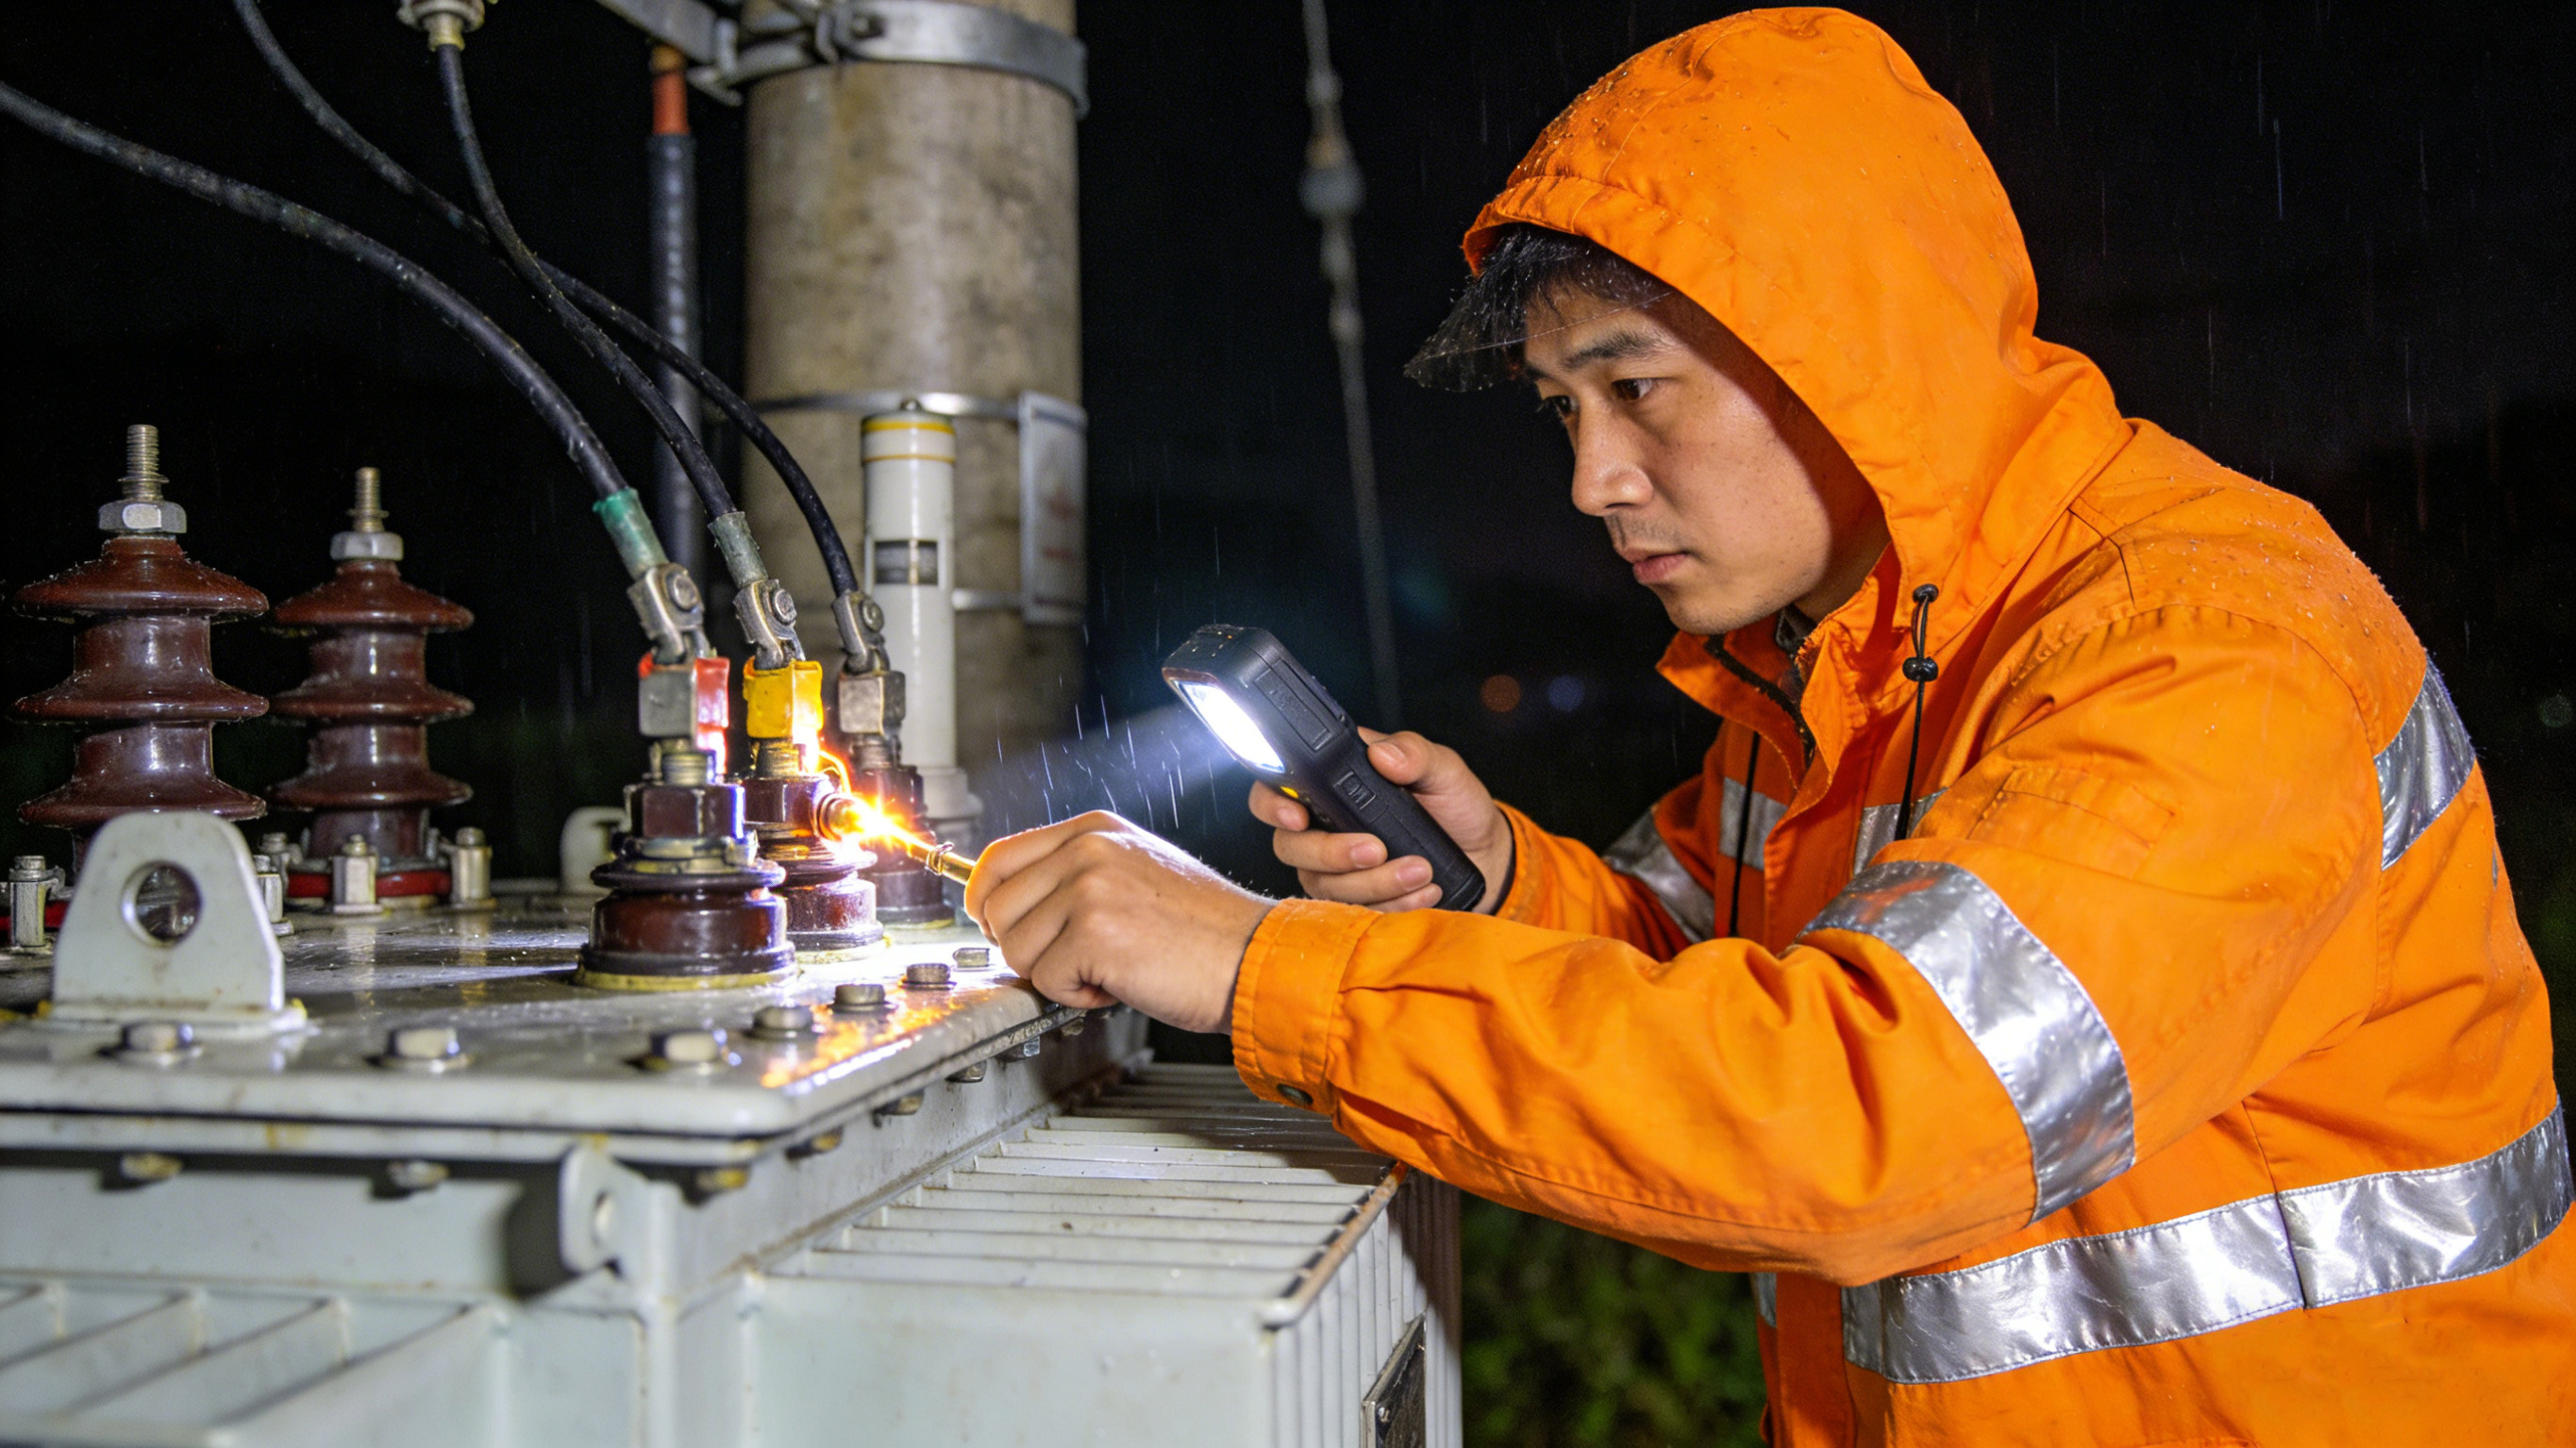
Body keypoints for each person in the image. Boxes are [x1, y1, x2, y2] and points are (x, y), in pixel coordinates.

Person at [962, 8, 2573, 1442]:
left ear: (1855, 354)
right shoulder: (1845, 667)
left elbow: (1866, 1116)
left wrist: (1254, 967)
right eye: (1560, 411)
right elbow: (1701, 984)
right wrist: (1493, 889)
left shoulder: (2204, 649)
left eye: (1635, 387)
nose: (1591, 480)